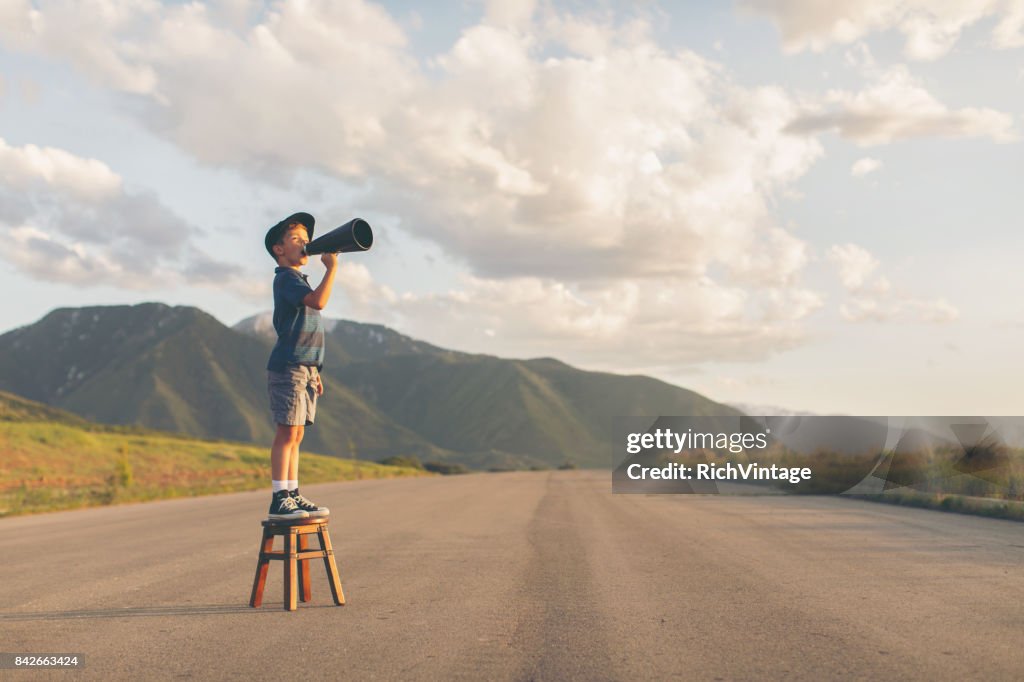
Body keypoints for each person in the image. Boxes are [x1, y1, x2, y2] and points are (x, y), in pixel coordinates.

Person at [263, 212, 337, 520]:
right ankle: (280, 497)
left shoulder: (297, 279)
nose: (305, 244)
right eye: (296, 239)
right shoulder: (287, 279)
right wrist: (332, 269)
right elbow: (318, 302)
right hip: (289, 366)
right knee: (286, 432)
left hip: (305, 367)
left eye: (307, 240)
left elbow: (307, 329)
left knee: (297, 435)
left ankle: (291, 492)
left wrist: (315, 369)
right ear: (279, 249)